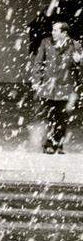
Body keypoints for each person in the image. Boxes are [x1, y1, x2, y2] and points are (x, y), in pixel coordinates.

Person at [29, 18, 83, 154]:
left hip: (66, 86)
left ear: (64, 33)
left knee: (62, 117)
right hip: (49, 86)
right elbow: (38, 63)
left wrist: (79, 62)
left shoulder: (75, 45)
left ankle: (54, 143)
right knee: (50, 116)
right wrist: (36, 80)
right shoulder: (46, 43)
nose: (52, 32)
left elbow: (80, 68)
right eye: (52, 30)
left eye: (55, 30)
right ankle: (53, 143)